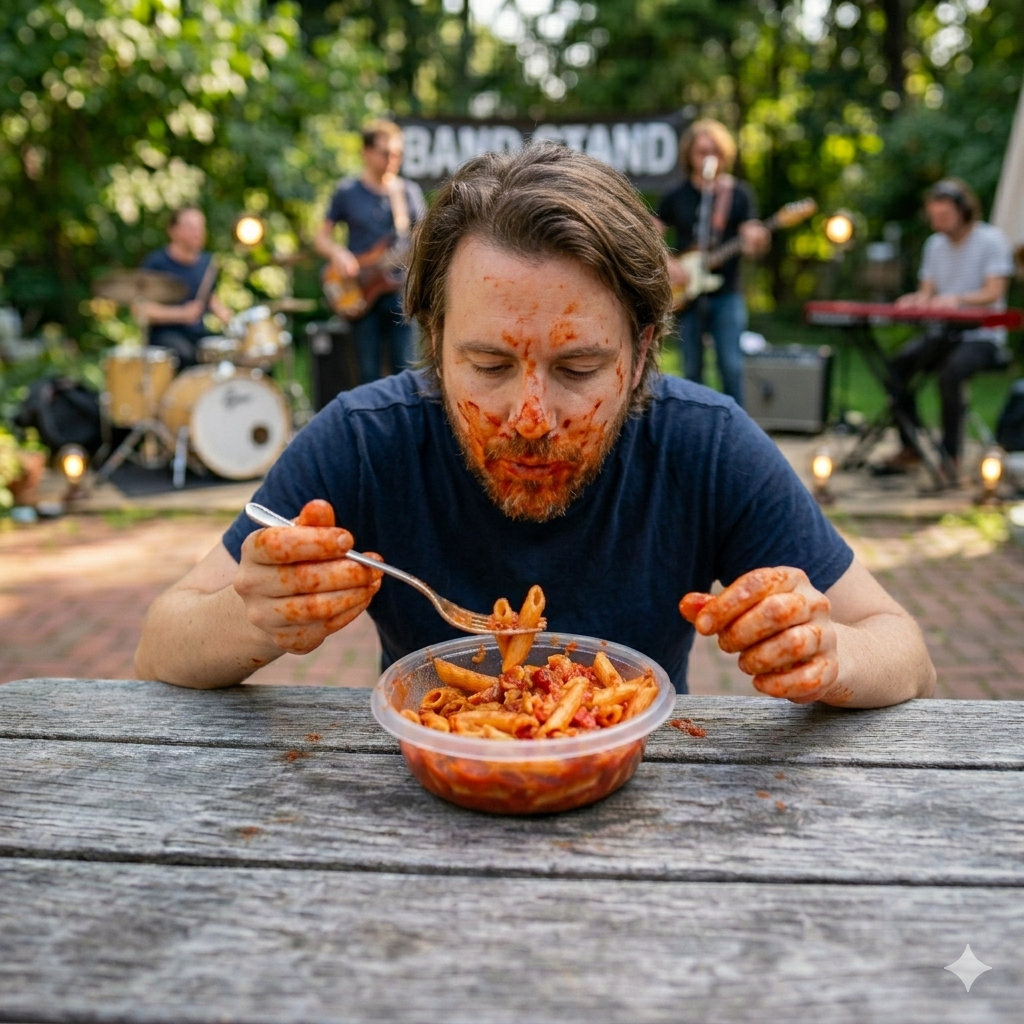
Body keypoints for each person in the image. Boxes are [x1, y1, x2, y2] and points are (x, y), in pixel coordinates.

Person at [135, 143, 935, 709]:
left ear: (642, 349)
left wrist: (829, 655)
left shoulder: (703, 443)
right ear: (435, 344)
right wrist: (257, 613)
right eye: (486, 364)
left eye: (578, 368)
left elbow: (905, 652)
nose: (530, 421)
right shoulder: (364, 441)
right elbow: (160, 646)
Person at [883, 179, 1014, 475]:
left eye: (944, 217)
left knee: (951, 372)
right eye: (933, 218)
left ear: (964, 211)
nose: (938, 224)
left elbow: (994, 292)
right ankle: (911, 444)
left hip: (984, 336)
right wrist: (915, 300)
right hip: (943, 333)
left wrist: (958, 300)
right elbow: (927, 291)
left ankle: (950, 455)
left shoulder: (991, 240)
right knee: (896, 367)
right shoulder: (935, 245)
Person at [654, 119, 770, 407]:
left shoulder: (739, 194)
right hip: (687, 295)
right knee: (691, 368)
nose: (709, 158)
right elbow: (648, 233)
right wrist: (668, 262)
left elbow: (754, 242)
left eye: (715, 151)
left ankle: (736, 432)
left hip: (727, 293)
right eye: (701, 151)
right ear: (689, 156)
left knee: (731, 365)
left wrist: (757, 238)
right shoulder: (676, 195)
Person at [314, 119, 427, 384]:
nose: (393, 159)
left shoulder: (407, 192)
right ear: (366, 152)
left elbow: (424, 239)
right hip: (360, 292)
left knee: (407, 375)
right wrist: (339, 254)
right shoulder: (347, 192)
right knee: (367, 375)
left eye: (398, 154)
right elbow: (321, 237)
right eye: (385, 153)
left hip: (398, 294)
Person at [139, 206, 232, 367]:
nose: (197, 232)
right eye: (191, 227)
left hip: (197, 334)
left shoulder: (207, 263)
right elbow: (142, 310)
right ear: (173, 230)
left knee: (233, 350)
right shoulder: (157, 263)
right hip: (165, 335)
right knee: (186, 354)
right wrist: (181, 314)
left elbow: (211, 300)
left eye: (201, 227)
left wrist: (232, 320)